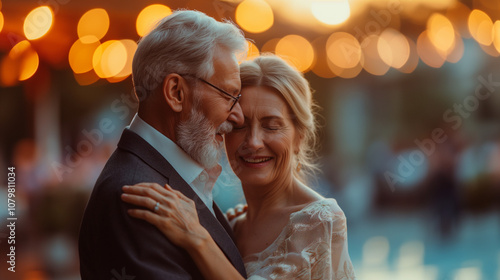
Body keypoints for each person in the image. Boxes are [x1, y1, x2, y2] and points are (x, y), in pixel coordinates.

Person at [121, 55, 357, 279]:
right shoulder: (232, 224)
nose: (253, 142)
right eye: (239, 126)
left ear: (300, 137)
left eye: (271, 126)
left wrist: (197, 238)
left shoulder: (321, 220)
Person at [78, 10, 249, 279]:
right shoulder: (138, 196)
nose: (237, 115)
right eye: (228, 95)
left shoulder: (160, 179)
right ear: (176, 93)